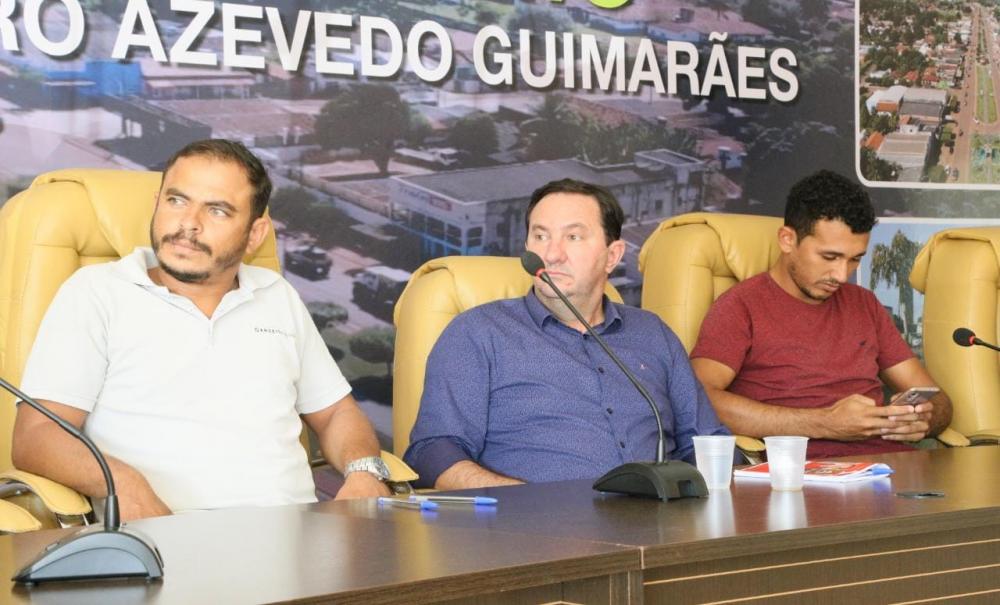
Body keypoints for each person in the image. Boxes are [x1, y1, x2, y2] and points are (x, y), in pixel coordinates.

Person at [12, 139, 390, 521]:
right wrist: (121, 483)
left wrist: (364, 471)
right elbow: (37, 435)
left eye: (217, 210)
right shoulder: (97, 291)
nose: (188, 223)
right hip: (164, 540)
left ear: (255, 234)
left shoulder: (276, 294)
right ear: (157, 204)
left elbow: (336, 412)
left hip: (298, 538)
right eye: (176, 201)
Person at [404, 179, 729, 489]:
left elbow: (706, 442)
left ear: (613, 256)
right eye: (540, 236)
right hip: (539, 523)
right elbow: (434, 451)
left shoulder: (653, 333)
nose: (552, 254)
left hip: (662, 519)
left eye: (573, 237)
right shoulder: (478, 332)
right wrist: (522, 502)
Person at [691, 170, 952, 458]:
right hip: (799, 470)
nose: (841, 275)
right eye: (830, 257)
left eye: (854, 259)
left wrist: (924, 419)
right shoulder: (740, 306)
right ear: (787, 240)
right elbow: (700, 398)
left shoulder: (864, 304)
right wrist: (825, 423)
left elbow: (938, 400)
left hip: (888, 465)